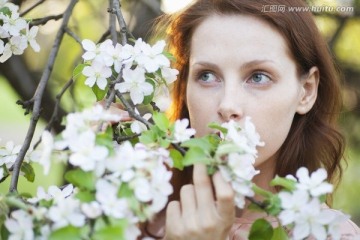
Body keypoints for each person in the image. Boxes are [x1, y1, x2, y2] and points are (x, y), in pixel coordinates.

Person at [120, 0, 360, 239]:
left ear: (306, 91)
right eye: (207, 75)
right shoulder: (131, 212)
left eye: (258, 77)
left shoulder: (331, 235)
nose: (227, 105)